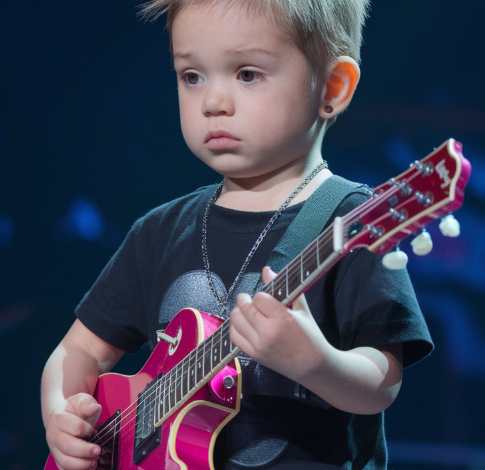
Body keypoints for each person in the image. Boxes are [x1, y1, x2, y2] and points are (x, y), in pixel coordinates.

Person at [41, 1, 434, 469]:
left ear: (332, 87)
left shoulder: (352, 221)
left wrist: (316, 362)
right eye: (192, 77)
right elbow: (80, 348)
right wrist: (62, 416)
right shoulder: (159, 230)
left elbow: (383, 383)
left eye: (247, 74)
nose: (213, 102)